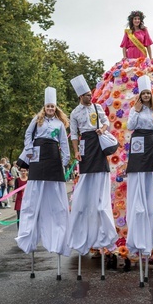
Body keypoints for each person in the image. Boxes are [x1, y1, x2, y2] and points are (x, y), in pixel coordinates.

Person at [15, 87, 71, 257]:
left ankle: (58, 238)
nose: (50, 109)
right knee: (34, 194)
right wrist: (29, 149)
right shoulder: (37, 120)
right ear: (44, 107)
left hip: (53, 155)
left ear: (56, 108)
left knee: (55, 195)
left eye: (52, 107)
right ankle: (28, 235)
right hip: (38, 155)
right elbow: (28, 134)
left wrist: (66, 159)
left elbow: (63, 142)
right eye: (48, 106)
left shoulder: (59, 124)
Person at [68, 75, 118, 259]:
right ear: (81, 96)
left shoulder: (97, 107)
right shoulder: (75, 113)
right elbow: (74, 134)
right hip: (85, 143)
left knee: (101, 172)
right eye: (87, 95)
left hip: (98, 141)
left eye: (91, 94)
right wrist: (76, 152)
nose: (90, 97)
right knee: (86, 175)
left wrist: (103, 130)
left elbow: (107, 122)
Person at [125, 75, 153, 268]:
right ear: (140, 95)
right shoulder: (135, 109)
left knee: (148, 178)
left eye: (149, 92)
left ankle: (148, 239)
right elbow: (130, 126)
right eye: (144, 93)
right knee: (137, 177)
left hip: (150, 143)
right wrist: (136, 110)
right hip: (138, 142)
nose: (147, 95)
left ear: (151, 94)